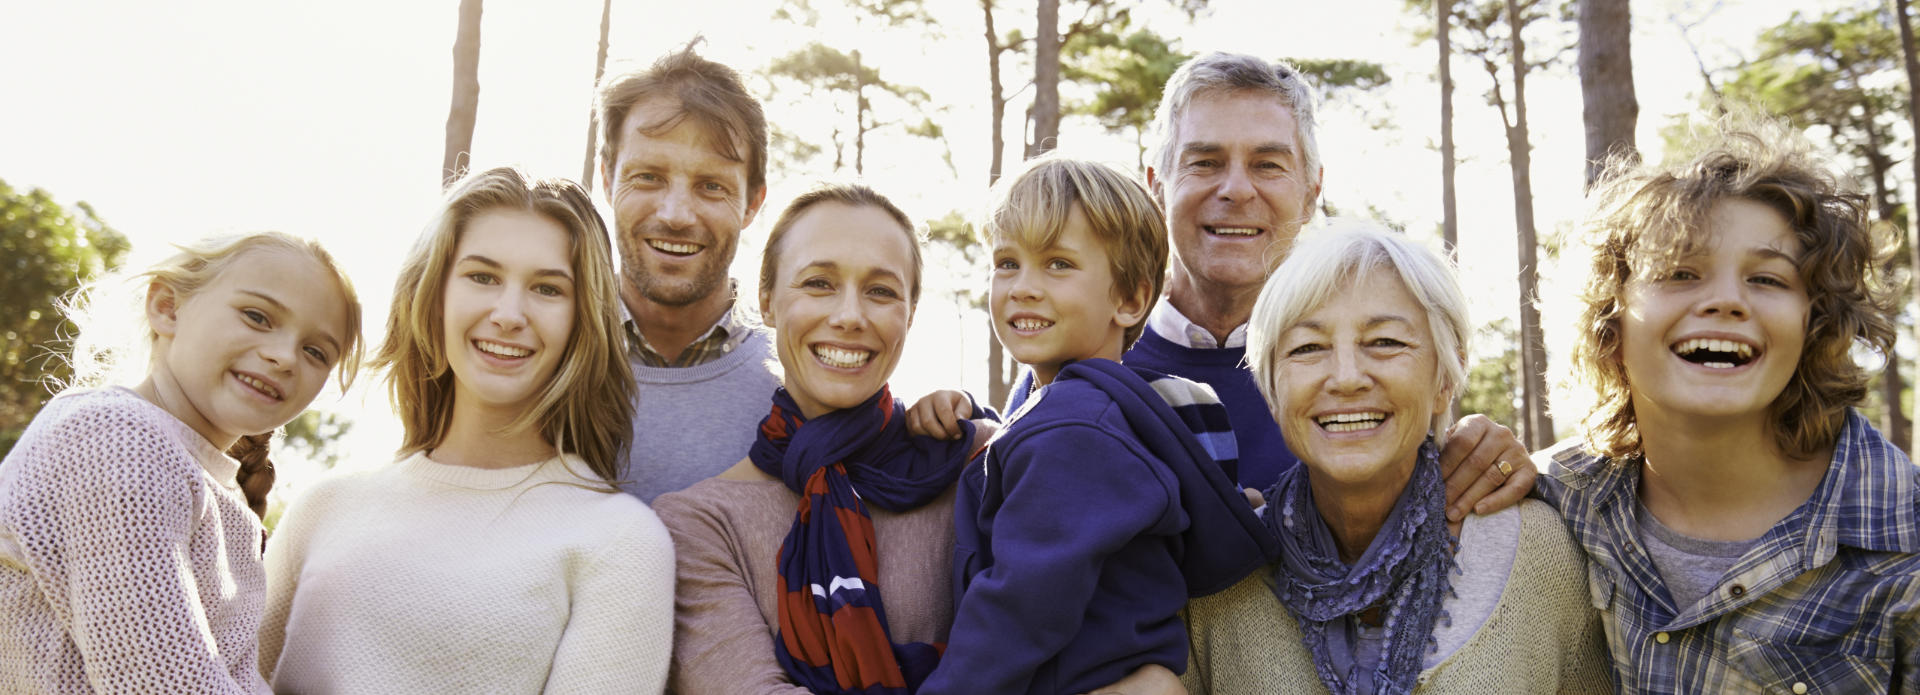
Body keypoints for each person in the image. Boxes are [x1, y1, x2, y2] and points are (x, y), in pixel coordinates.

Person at [655, 183, 1181, 695]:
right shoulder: (701, 524)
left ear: (909, 313)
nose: (849, 316)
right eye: (818, 283)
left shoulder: (981, 458)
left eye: (881, 291)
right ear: (767, 300)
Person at [978, 52, 1530, 521]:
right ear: (1157, 185)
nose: (1236, 190)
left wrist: (1486, 455)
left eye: (1267, 164)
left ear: (1312, 191)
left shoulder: (1359, 368)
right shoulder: (1083, 353)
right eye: (1205, 162)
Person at [259, 167, 675, 693]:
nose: (508, 314)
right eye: (482, 277)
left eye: (547, 289)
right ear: (434, 294)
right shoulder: (324, 509)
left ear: (581, 322)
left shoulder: (619, 541)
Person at [1539, 120, 1920, 691]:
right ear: (1610, 321)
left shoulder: (1905, 540)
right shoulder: (1548, 498)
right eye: (1679, 273)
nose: (1725, 300)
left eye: (1767, 279)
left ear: (1815, 326)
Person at [1183, 221, 1610, 694]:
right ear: (1273, 392)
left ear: (1445, 377)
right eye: (1307, 347)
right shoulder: (1219, 578)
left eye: (1385, 342)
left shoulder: (1543, 553)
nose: (1346, 377)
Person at [919, 155, 1276, 695]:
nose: (1023, 287)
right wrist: (977, 418)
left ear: (1130, 299)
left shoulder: (1074, 429)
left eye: (1058, 264)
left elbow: (1023, 603)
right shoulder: (1137, 413)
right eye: (1007, 263)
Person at [0, 231, 363, 693]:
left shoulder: (210, 482)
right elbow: (161, 682)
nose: (284, 356)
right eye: (257, 316)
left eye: (316, 352)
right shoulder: (115, 437)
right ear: (168, 307)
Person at [596, 40, 781, 502]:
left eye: (711, 185)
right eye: (648, 177)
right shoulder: (539, 360)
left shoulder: (798, 385)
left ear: (752, 203)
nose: (677, 214)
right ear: (606, 179)